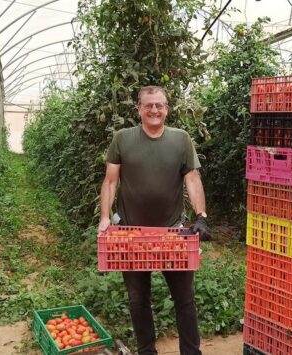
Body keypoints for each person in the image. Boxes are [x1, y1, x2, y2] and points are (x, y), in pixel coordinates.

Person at [98, 85, 211, 355]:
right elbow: (111, 181)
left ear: (167, 109)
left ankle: (191, 353)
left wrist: (201, 216)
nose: (154, 110)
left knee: (184, 299)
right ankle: (147, 351)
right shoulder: (123, 139)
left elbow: (192, 178)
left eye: (159, 105)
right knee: (138, 300)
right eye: (148, 105)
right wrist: (104, 217)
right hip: (131, 233)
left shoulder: (181, 139)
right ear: (139, 109)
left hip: (172, 232)